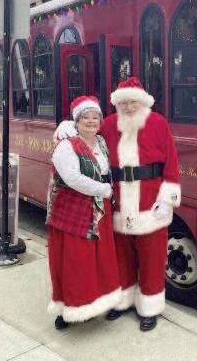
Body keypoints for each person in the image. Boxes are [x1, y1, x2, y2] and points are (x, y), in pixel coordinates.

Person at [54, 77, 181, 331]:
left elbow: (172, 162)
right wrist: (67, 125)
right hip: (118, 203)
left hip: (151, 203)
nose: (129, 107)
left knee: (152, 257)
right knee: (121, 257)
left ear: (143, 101)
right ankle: (123, 301)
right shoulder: (109, 124)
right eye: (123, 103)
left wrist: (168, 200)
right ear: (117, 104)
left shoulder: (158, 122)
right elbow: (87, 132)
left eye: (133, 102)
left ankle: (149, 307)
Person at [46, 95, 121, 330]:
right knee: (75, 262)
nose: (91, 121)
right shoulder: (66, 145)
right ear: (76, 121)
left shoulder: (101, 142)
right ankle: (68, 308)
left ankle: (94, 302)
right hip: (74, 211)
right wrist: (104, 189)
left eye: (95, 117)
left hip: (99, 211)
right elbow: (72, 178)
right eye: (85, 117)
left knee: (99, 260)